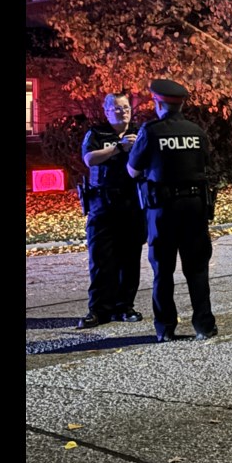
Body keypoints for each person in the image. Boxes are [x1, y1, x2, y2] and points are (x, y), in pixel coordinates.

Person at [127, 79, 218, 343]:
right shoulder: (196, 131)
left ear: (158, 102)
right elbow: (206, 163)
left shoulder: (150, 131)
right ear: (180, 104)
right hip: (195, 208)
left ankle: (165, 328)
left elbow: (133, 170)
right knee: (197, 269)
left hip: (163, 210)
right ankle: (204, 325)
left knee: (163, 270)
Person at [76, 93, 147, 329]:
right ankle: (98, 310)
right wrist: (118, 148)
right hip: (102, 204)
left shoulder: (140, 132)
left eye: (125, 107)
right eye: (116, 108)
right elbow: (89, 159)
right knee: (100, 259)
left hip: (132, 204)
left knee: (130, 258)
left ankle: (125, 307)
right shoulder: (97, 134)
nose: (122, 112)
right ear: (106, 111)